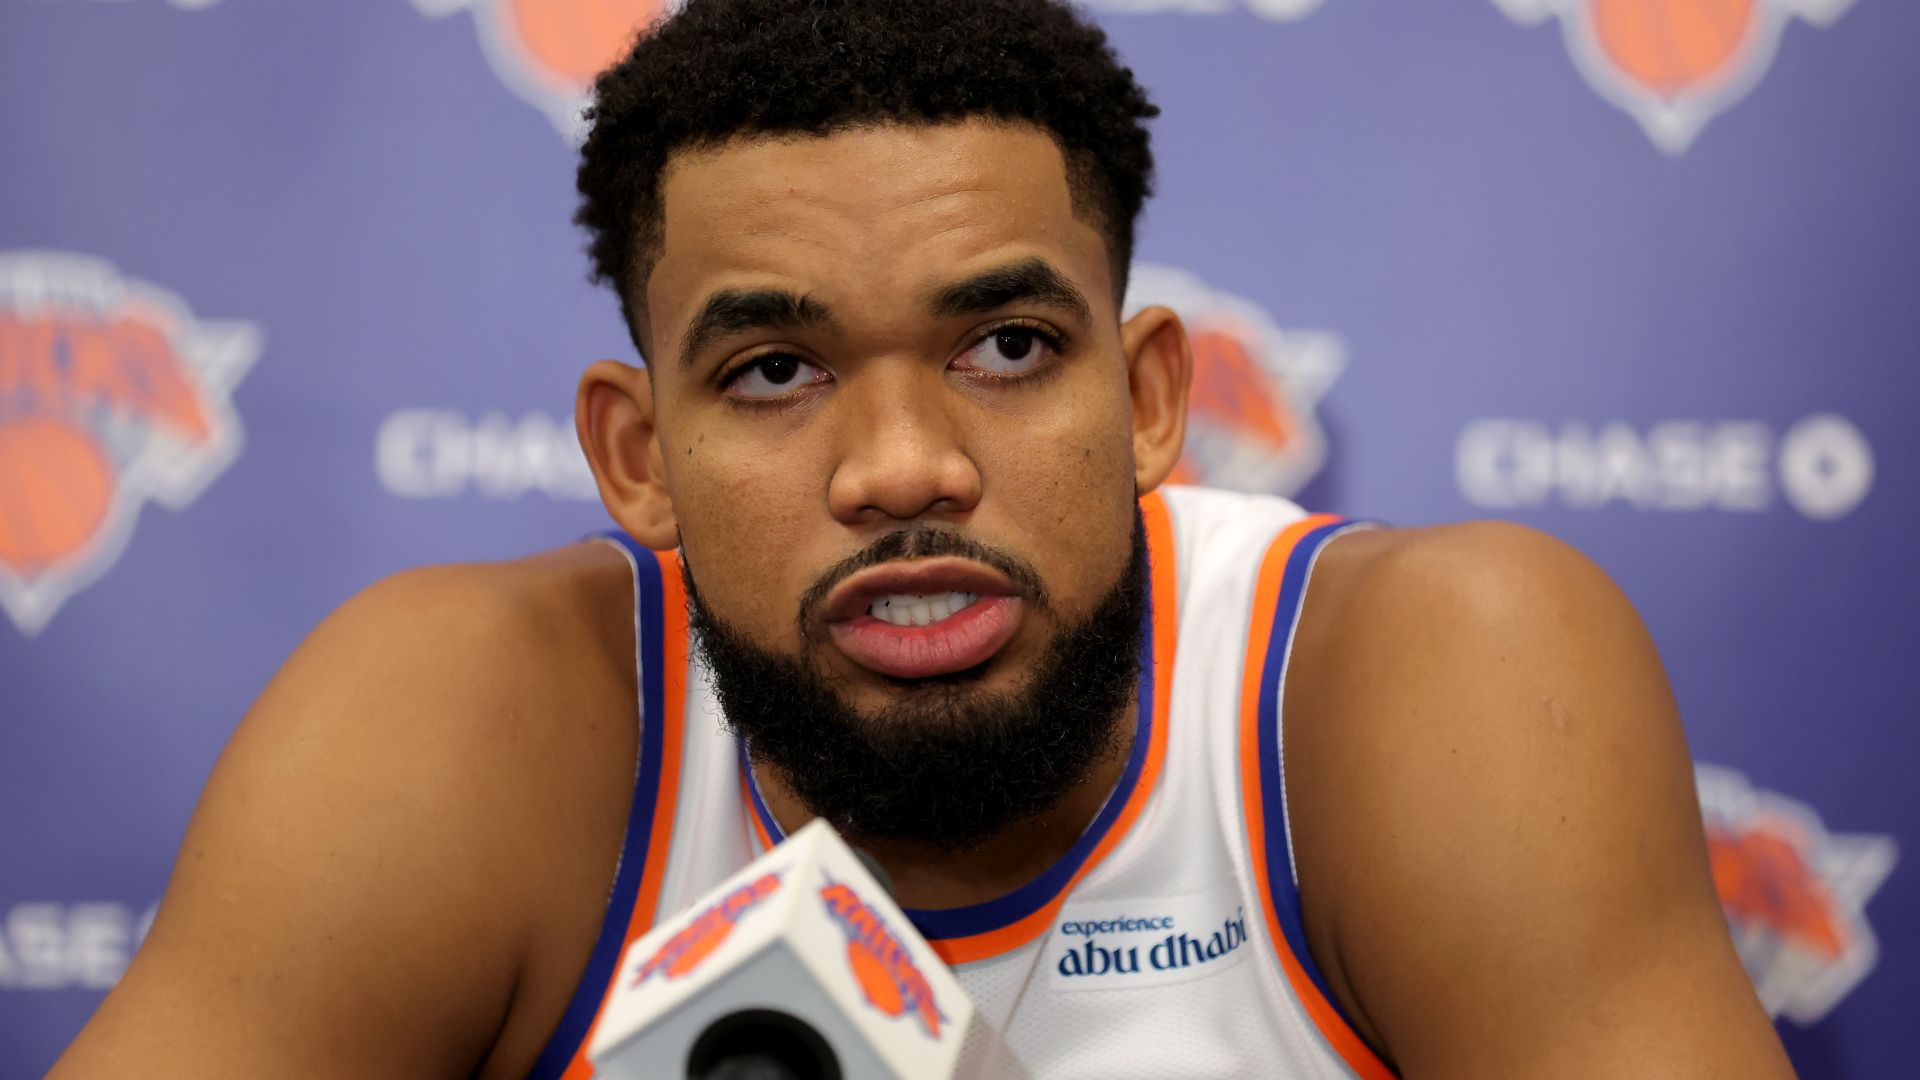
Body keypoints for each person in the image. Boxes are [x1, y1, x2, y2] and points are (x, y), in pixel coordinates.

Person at [52, 0, 1794, 1076]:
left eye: (1008, 348)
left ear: (1154, 401)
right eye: (777, 369)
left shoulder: (1438, 680)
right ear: (639, 457)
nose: (901, 469)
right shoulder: (458, 721)